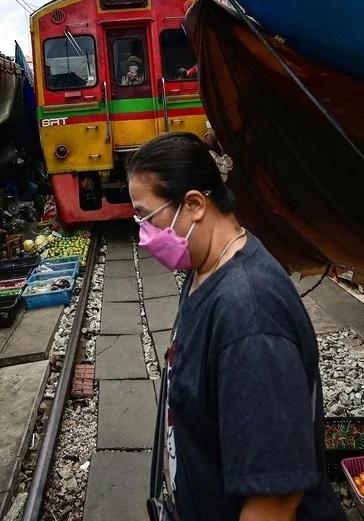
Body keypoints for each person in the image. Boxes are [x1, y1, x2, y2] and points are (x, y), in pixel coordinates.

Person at [128, 132, 344, 521]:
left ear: (194, 204)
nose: (143, 234)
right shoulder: (204, 269)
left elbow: (276, 497)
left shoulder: (250, 316)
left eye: (147, 216)